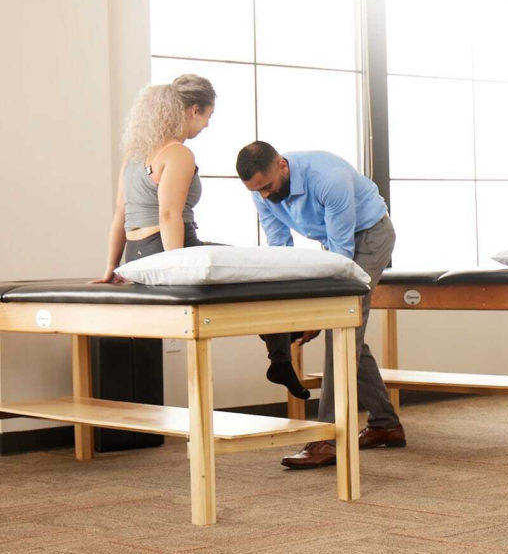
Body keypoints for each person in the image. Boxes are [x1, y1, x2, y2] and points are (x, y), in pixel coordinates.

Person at [95, 75, 308, 400]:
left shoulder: (135, 156)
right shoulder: (177, 153)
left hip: (136, 254)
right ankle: (280, 355)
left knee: (247, 268)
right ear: (193, 110)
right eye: (208, 115)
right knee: (262, 267)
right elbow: (168, 215)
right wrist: (176, 268)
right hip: (168, 249)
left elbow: (119, 215)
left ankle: (280, 342)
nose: (207, 124)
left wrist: (112, 268)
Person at [236, 141, 405, 469]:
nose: (266, 196)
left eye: (268, 187)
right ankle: (386, 424)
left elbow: (342, 255)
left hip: (370, 236)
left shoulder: (329, 177)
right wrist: (295, 310)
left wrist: (319, 315)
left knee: (339, 326)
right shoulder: (262, 192)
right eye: (257, 192)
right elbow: (281, 249)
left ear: (282, 166)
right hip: (335, 240)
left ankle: (327, 438)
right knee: (348, 332)